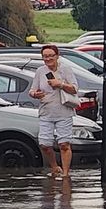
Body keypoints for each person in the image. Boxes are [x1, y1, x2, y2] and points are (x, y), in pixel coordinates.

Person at [28, 44, 80, 178]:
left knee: (64, 144)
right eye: (45, 56)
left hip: (64, 111)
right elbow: (32, 90)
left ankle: (66, 174)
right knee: (44, 144)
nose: (48, 59)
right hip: (46, 111)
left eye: (51, 56)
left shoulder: (65, 70)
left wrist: (60, 84)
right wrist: (35, 94)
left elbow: (74, 89)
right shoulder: (40, 71)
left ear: (57, 56)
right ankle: (55, 167)